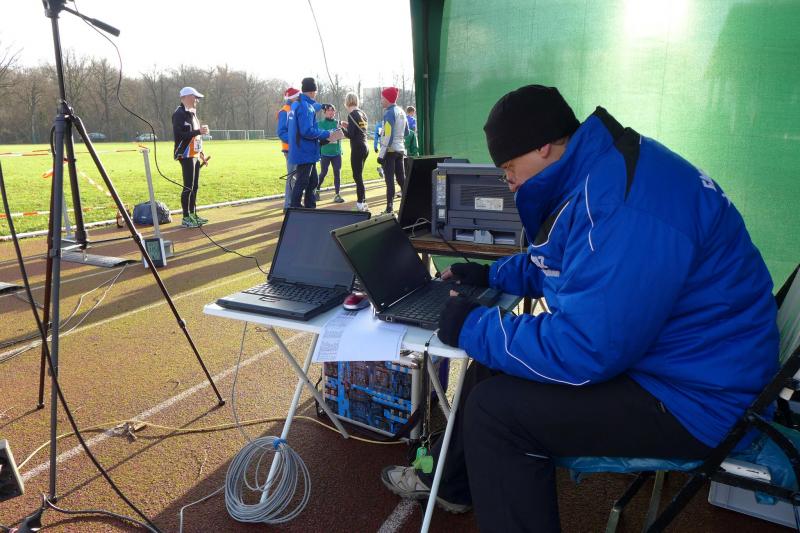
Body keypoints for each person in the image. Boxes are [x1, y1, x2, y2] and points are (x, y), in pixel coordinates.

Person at [380, 84, 779, 531]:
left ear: (542, 146)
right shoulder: (604, 171)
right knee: (490, 367)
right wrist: (491, 276)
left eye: (508, 167)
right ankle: (453, 485)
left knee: (496, 413)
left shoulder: (624, 204)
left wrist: (473, 326)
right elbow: (564, 262)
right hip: (691, 364)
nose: (507, 181)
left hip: (700, 400)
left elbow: (587, 348)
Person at [287, 77, 343, 209]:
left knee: (313, 181)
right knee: (303, 181)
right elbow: (307, 131)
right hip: (305, 151)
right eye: (315, 92)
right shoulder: (305, 107)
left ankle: (309, 207)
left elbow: (312, 108)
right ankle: (295, 208)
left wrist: (322, 106)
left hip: (303, 149)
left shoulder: (297, 104)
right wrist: (327, 134)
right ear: (312, 92)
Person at [172, 86, 210, 228]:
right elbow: (179, 135)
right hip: (185, 154)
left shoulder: (192, 114)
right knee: (187, 186)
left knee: (195, 186)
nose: (197, 101)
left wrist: (202, 154)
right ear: (187, 97)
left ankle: (193, 214)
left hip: (194, 154)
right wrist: (198, 131)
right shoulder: (179, 113)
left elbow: (196, 137)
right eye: (195, 98)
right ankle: (186, 217)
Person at [377, 86, 409, 213]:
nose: (381, 100)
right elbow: (407, 132)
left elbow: (388, 136)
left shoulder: (389, 113)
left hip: (390, 151)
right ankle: (409, 204)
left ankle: (389, 208)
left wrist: (381, 155)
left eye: (382, 98)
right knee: (401, 179)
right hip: (400, 150)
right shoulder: (402, 111)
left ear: (388, 99)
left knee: (389, 180)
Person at [342, 92, 370, 212]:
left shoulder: (351, 114)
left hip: (357, 147)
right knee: (359, 176)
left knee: (357, 176)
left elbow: (351, 135)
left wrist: (341, 129)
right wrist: (347, 126)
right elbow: (359, 130)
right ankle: (363, 201)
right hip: (365, 146)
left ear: (347, 102)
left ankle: (360, 204)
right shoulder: (362, 113)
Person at [276, 87, 300, 210]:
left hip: (298, 148)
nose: (300, 98)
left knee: (297, 177)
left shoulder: (294, 109)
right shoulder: (284, 111)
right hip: (290, 149)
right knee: (292, 177)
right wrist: (294, 141)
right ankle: (289, 205)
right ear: (293, 98)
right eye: (298, 96)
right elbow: (281, 132)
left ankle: (294, 203)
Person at [317, 103, 345, 203]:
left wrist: (341, 130)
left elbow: (342, 135)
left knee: (337, 173)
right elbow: (320, 139)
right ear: (325, 112)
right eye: (328, 110)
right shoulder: (320, 124)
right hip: (325, 153)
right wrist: (331, 135)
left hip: (336, 153)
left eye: (333, 110)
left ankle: (337, 195)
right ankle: (316, 190)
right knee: (323, 173)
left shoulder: (338, 123)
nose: (331, 112)